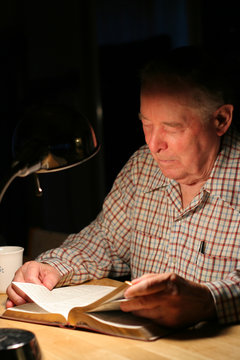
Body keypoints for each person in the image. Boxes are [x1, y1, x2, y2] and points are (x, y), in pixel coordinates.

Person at [6, 46, 240, 328]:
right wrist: (51, 266)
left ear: (221, 120)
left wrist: (208, 302)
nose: (155, 145)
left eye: (173, 127)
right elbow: (105, 241)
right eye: (147, 123)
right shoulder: (143, 166)